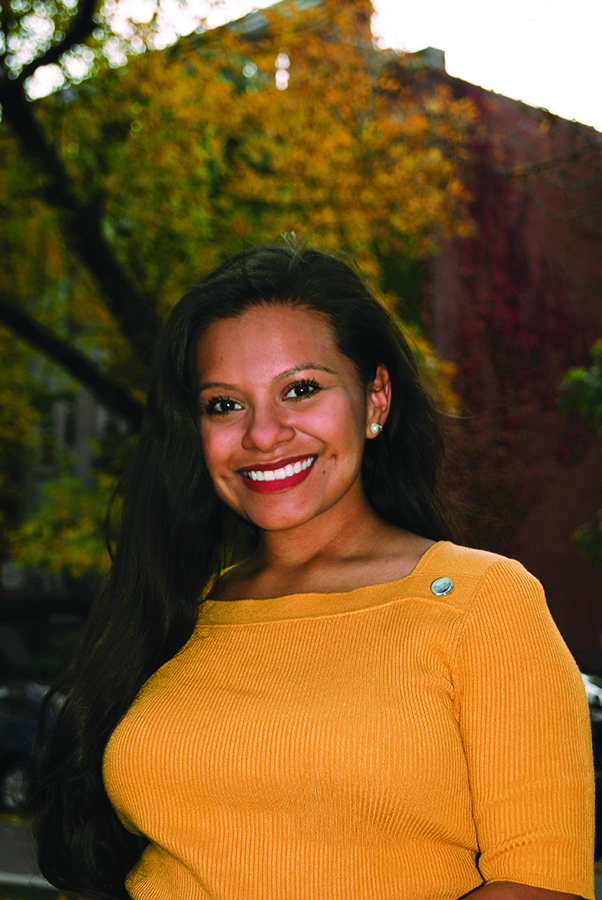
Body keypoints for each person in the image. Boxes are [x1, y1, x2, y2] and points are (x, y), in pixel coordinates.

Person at [35, 244, 594, 900]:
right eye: (224, 404)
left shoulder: (484, 602)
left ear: (375, 398)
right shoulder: (172, 612)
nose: (264, 434)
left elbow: (539, 885)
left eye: (300, 389)